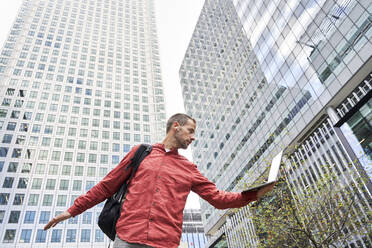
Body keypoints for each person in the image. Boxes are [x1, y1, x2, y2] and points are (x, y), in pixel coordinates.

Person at [44, 113, 275, 248]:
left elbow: (218, 199)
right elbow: (107, 185)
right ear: (176, 126)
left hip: (164, 243)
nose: (193, 137)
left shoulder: (189, 169)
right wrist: (72, 211)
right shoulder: (140, 153)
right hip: (127, 237)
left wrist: (254, 194)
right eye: (190, 130)